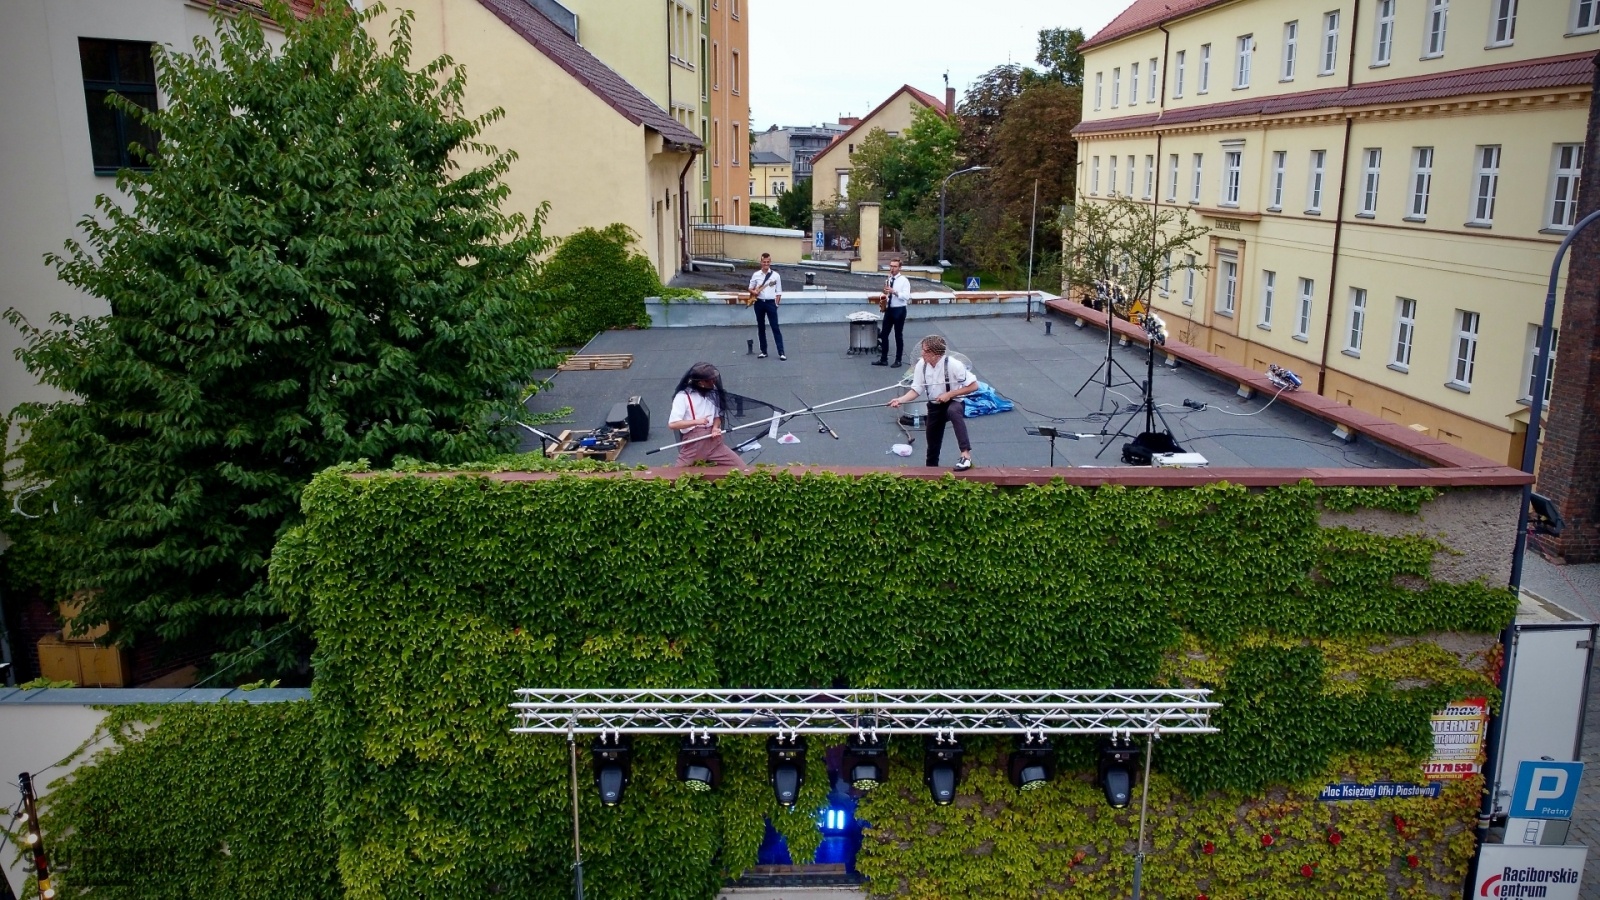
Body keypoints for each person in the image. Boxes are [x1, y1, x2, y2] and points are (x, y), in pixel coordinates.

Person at [887, 335, 978, 471]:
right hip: (934, 406)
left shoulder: (953, 364)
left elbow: (973, 386)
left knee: (953, 411)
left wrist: (949, 394)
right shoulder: (921, 365)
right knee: (932, 445)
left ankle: (965, 455)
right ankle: (931, 472)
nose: (922, 353)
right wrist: (900, 400)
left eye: (925, 351)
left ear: (936, 354)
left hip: (954, 401)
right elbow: (916, 390)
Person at [666, 362, 746, 467]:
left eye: (714, 379)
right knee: (678, 475)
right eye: (710, 380)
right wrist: (697, 421)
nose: (714, 382)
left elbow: (717, 416)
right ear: (700, 383)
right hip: (694, 443)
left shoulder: (713, 394)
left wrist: (715, 428)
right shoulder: (682, 397)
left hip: (715, 442)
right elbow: (673, 424)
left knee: (741, 467)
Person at [747, 253, 786, 360]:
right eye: (764, 262)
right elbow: (750, 288)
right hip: (759, 303)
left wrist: (776, 304)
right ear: (761, 262)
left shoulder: (775, 275)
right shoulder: (756, 275)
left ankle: (781, 352)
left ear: (770, 262)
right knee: (761, 327)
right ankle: (763, 351)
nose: (766, 264)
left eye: (768, 262)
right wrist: (754, 291)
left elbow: (779, 292)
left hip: (770, 303)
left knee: (775, 327)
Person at [873, 258, 910, 368]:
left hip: (899, 309)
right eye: (891, 266)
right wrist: (884, 298)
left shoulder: (904, 281)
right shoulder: (889, 279)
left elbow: (906, 296)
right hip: (889, 309)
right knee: (884, 334)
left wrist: (894, 292)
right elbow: (886, 294)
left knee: (898, 335)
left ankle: (898, 360)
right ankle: (883, 359)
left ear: (899, 268)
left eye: (894, 266)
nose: (892, 268)